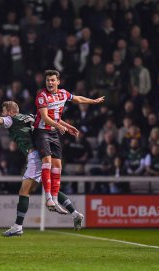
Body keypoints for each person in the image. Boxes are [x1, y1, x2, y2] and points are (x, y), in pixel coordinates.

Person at [0, 101, 84, 237]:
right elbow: (52, 119)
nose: (2, 114)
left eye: (4, 111)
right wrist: (68, 127)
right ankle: (75, 214)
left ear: (11, 111)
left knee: (24, 191)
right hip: (43, 154)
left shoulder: (11, 119)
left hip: (35, 156)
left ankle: (18, 226)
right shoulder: (30, 116)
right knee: (49, 187)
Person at [34, 69, 104, 211]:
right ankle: (48, 198)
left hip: (53, 132)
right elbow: (45, 118)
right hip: (41, 132)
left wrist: (93, 101)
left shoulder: (63, 94)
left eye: (53, 80)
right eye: (48, 80)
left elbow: (77, 99)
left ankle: (54, 199)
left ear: (58, 82)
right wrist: (60, 126)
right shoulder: (42, 96)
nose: (50, 82)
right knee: (47, 162)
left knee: (58, 166)